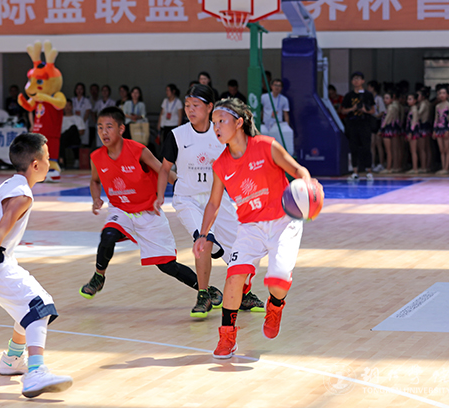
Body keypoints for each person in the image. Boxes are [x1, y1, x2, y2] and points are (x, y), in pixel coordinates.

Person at [193, 98, 318, 359]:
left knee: (278, 280)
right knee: (234, 277)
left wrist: (308, 186)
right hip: (250, 227)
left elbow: (298, 170)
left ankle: (275, 305)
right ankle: (227, 337)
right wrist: (203, 235)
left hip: (283, 222)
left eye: (221, 121)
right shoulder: (220, 165)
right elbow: (213, 203)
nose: (216, 127)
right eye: (214, 123)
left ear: (239, 122)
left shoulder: (266, 146)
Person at [0, 133, 73, 398]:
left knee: (24, 306)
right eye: (48, 158)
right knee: (39, 305)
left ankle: (12, 360)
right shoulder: (22, 195)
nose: (50, 163)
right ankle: (35, 372)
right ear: (35, 164)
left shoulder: (12, 183)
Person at [80, 106, 213, 316]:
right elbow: (95, 181)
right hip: (121, 209)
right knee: (108, 234)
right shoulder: (96, 156)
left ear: (121, 129)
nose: (104, 132)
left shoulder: (138, 151)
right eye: (100, 127)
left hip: (149, 212)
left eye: (109, 127)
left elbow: (163, 170)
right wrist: (96, 198)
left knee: (167, 266)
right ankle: (99, 276)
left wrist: (187, 191)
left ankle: (205, 290)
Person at [155, 85, 263, 317]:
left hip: (218, 200)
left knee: (244, 250)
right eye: (187, 105)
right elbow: (164, 169)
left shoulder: (222, 134)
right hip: (188, 200)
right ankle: (203, 295)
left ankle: (243, 293)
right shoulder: (177, 135)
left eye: (196, 105)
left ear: (210, 107)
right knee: (203, 240)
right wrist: (160, 196)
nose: (190, 110)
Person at [341, 72, 375, 180]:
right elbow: (343, 110)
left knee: (366, 147)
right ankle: (355, 171)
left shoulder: (368, 95)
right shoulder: (348, 95)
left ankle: (369, 171)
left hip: (365, 123)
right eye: (354, 79)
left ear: (363, 81)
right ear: (352, 81)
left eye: (358, 79)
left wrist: (365, 110)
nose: (356, 81)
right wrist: (353, 108)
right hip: (352, 124)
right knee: (353, 147)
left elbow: (373, 110)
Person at [432, 85, 449, 175]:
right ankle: (443, 167)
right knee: (441, 149)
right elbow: (436, 119)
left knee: (447, 149)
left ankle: (447, 168)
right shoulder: (437, 106)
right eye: (440, 93)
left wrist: (448, 130)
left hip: (446, 128)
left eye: (444, 93)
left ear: (447, 95)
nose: (442, 95)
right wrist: (434, 130)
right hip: (439, 129)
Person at [379, 91, 402, 174]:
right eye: (384, 98)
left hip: (388, 130)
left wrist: (381, 129)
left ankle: (388, 167)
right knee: (395, 149)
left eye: (387, 98)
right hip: (394, 129)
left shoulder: (390, 108)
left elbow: (387, 120)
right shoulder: (394, 107)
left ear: (392, 99)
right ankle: (396, 166)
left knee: (388, 150)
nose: (385, 100)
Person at [60, 99, 86, 168]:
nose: (67, 107)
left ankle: (62, 160)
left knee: (73, 128)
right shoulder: (60, 118)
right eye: (66, 106)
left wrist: (70, 132)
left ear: (72, 107)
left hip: (74, 139)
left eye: (69, 105)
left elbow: (82, 131)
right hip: (64, 140)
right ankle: (62, 161)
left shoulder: (78, 118)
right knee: (61, 139)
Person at [367, 81, 386, 172]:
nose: (368, 89)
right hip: (371, 122)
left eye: (369, 87)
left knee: (379, 144)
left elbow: (382, 112)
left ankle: (381, 164)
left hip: (378, 122)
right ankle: (372, 163)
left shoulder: (379, 98)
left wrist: (375, 116)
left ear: (373, 88)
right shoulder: (369, 98)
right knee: (372, 144)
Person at [405, 93, 424, 174]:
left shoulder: (414, 110)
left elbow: (414, 122)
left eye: (410, 99)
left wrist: (411, 132)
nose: (408, 101)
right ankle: (414, 167)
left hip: (413, 132)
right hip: (412, 131)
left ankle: (415, 168)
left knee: (413, 151)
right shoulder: (412, 109)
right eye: (408, 99)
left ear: (415, 100)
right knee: (412, 150)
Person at [417, 87, 433, 172]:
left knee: (422, 148)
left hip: (422, 126)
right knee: (427, 148)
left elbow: (418, 114)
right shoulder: (428, 103)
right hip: (427, 126)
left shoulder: (423, 104)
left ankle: (424, 167)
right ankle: (428, 165)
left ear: (423, 96)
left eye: (418, 95)